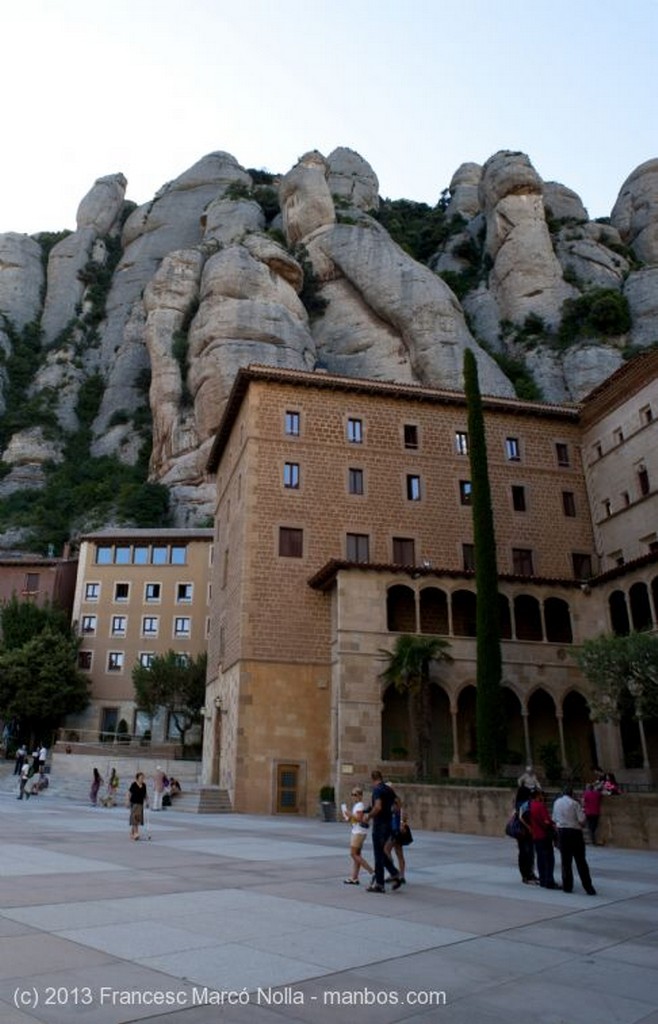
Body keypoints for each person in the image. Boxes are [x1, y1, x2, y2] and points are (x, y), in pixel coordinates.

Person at [363, 770, 403, 893]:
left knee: (378, 854)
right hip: (388, 824)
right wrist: (393, 814)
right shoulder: (388, 789)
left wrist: (368, 816)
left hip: (380, 825)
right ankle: (394, 873)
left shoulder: (377, 790)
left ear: (373, 779)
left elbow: (378, 807)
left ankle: (380, 884)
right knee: (381, 852)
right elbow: (398, 802)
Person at [553, 786, 597, 895]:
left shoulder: (557, 803)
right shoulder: (574, 804)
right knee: (580, 860)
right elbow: (582, 820)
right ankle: (588, 887)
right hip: (574, 832)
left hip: (562, 831)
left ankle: (567, 886)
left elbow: (554, 819)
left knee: (566, 861)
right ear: (572, 794)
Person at [526, 788, 559, 889]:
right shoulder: (540, 806)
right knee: (549, 859)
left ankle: (543, 879)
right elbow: (546, 821)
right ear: (537, 795)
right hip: (544, 836)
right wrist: (553, 826)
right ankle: (549, 880)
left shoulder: (529, 806)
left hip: (535, 835)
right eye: (540, 794)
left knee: (540, 858)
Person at [342, 786, 374, 884]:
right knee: (357, 855)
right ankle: (354, 878)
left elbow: (359, 818)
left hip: (358, 833)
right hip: (357, 831)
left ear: (360, 796)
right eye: (352, 794)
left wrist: (349, 814)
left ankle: (372, 872)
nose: (353, 796)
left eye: (355, 794)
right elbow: (356, 819)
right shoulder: (357, 805)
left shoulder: (359, 805)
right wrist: (349, 818)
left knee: (353, 854)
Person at [513, 784, 538, 885]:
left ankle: (528, 874)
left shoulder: (518, 803)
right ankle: (527, 875)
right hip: (525, 832)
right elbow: (522, 817)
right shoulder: (524, 804)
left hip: (522, 832)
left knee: (525, 853)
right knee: (527, 853)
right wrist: (530, 827)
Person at [128, 772, 149, 840]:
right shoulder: (134, 784)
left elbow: (145, 794)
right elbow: (129, 793)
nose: (142, 779)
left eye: (143, 778)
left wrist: (147, 801)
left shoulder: (144, 785)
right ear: (137, 778)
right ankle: (136, 833)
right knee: (135, 818)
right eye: (141, 778)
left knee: (137, 819)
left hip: (140, 804)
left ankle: (132, 833)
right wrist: (127, 801)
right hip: (134, 803)